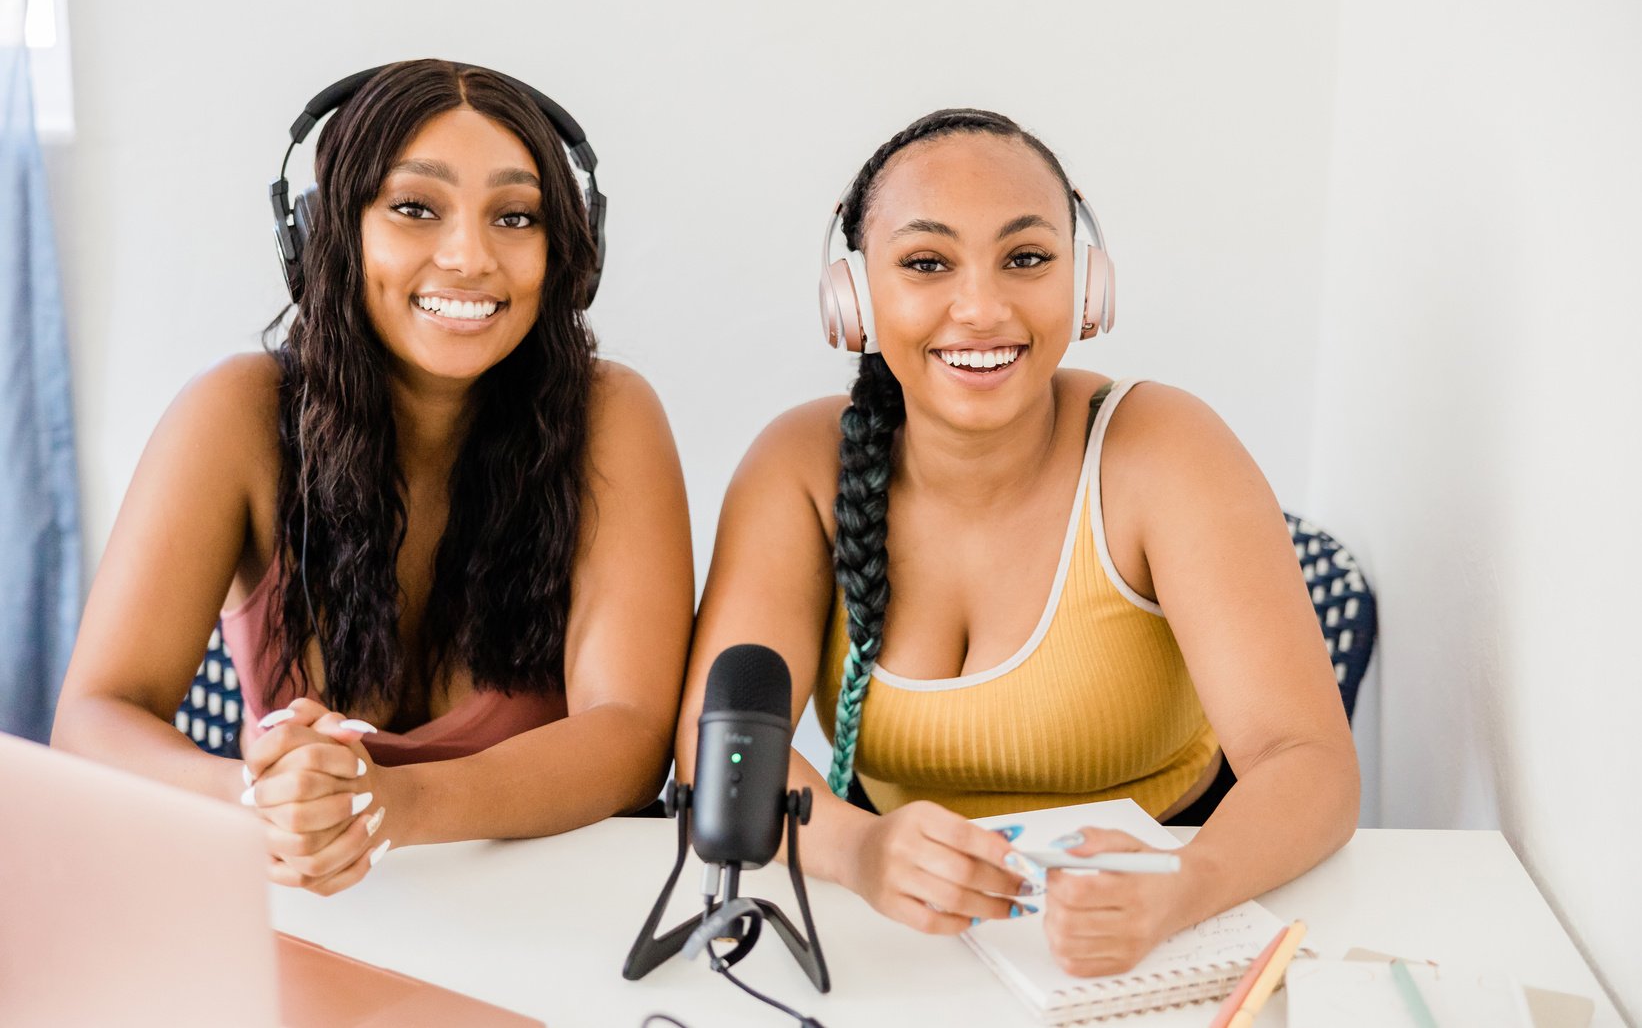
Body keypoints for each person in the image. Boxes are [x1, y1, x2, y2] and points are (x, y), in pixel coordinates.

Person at [676, 109, 1358, 976]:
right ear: (853, 298)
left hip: (1168, 912)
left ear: (1086, 281)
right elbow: (720, 748)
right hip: (897, 929)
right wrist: (858, 852)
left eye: (1027, 258)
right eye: (926, 263)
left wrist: (1182, 883)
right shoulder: (798, 466)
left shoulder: (1164, 448)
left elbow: (1310, 762)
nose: (983, 307)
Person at [53, 60, 693, 896]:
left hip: (551, 915)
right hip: (316, 913)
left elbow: (633, 737)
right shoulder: (236, 413)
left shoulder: (611, 414)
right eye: (415, 207)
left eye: (515, 215)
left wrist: (390, 802)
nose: (468, 255)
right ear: (329, 233)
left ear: (566, 251)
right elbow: (93, 719)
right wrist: (262, 800)